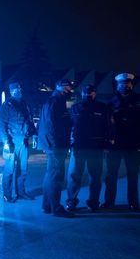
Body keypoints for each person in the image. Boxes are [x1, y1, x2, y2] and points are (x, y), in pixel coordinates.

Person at [65, 84, 111, 212]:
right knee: (74, 176)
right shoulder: (75, 107)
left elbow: (108, 126)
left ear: (95, 93)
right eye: (86, 92)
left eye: (91, 92)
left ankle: (93, 203)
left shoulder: (103, 107)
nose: (88, 94)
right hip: (78, 147)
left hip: (96, 147)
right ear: (82, 93)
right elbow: (69, 127)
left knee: (95, 177)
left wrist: (107, 144)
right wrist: (68, 144)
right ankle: (71, 202)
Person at [102, 73, 140, 211]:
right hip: (115, 143)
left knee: (133, 175)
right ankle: (109, 202)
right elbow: (105, 124)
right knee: (111, 175)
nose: (125, 85)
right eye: (122, 83)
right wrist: (106, 142)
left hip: (133, 143)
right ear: (117, 85)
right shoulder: (110, 101)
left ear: (131, 85)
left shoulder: (138, 100)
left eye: (127, 83)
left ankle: (133, 202)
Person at [37, 79, 74, 217]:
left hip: (53, 144)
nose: (70, 90)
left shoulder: (56, 101)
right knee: (56, 176)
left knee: (51, 175)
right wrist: (55, 145)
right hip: (55, 145)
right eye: (68, 88)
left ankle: (47, 205)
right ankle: (56, 208)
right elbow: (51, 126)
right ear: (60, 87)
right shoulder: (55, 102)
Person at [0, 82, 37, 203]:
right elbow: (2, 125)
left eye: (20, 89)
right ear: (11, 91)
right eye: (16, 90)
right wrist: (6, 142)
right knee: (9, 170)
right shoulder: (7, 105)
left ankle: (21, 192)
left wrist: (34, 135)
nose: (19, 91)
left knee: (23, 169)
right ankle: (7, 195)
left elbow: (30, 121)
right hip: (12, 142)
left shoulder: (25, 104)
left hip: (23, 141)